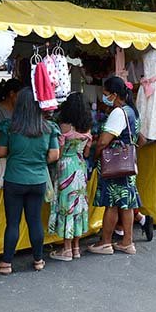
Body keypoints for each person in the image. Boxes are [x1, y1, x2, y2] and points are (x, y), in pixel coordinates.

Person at [0, 87, 60, 275]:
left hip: (15, 179)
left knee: (13, 222)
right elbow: (54, 155)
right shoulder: (48, 127)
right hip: (38, 181)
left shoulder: (9, 127)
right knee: (34, 220)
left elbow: (1, 152)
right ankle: (38, 260)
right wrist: (37, 161)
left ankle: (6, 264)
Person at [88, 76, 147, 255]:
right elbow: (141, 139)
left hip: (114, 164)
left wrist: (96, 157)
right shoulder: (132, 111)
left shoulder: (118, 113)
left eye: (106, 94)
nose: (104, 97)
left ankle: (105, 242)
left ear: (114, 94)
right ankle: (127, 242)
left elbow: (104, 141)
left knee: (112, 203)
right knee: (126, 204)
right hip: (128, 162)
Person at [48, 93, 93, 261]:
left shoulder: (64, 126)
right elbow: (87, 152)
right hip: (80, 166)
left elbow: (57, 152)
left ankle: (66, 249)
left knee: (66, 206)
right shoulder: (87, 127)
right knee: (78, 207)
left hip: (65, 167)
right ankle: (76, 248)